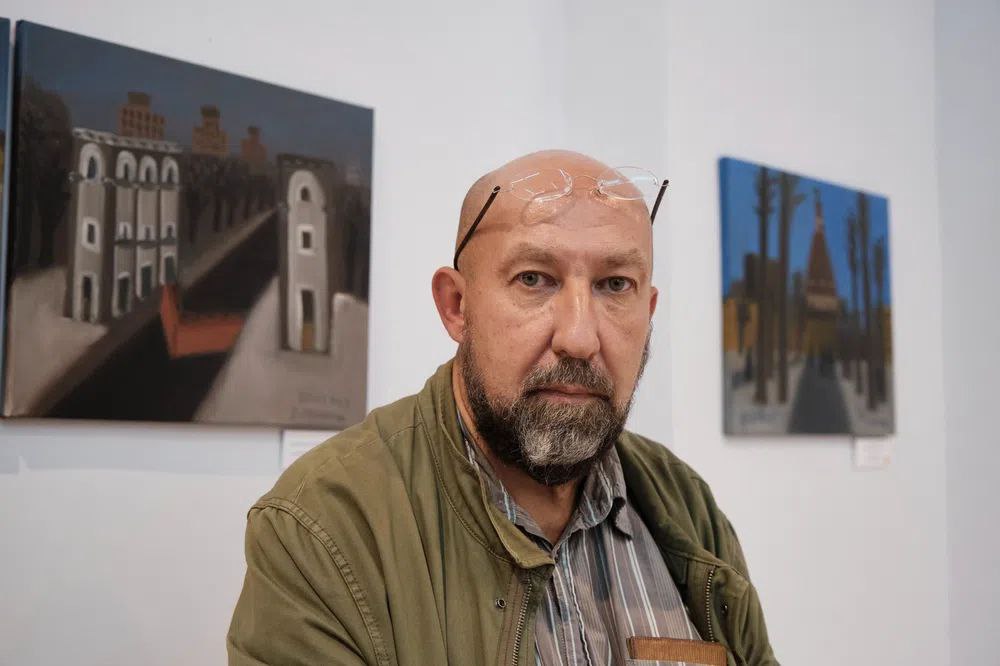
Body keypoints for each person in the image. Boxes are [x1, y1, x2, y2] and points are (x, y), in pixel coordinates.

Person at [227, 150, 778, 665]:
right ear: (457, 306)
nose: (579, 337)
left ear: (648, 311)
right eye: (534, 279)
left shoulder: (685, 508)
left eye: (615, 284)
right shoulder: (324, 530)